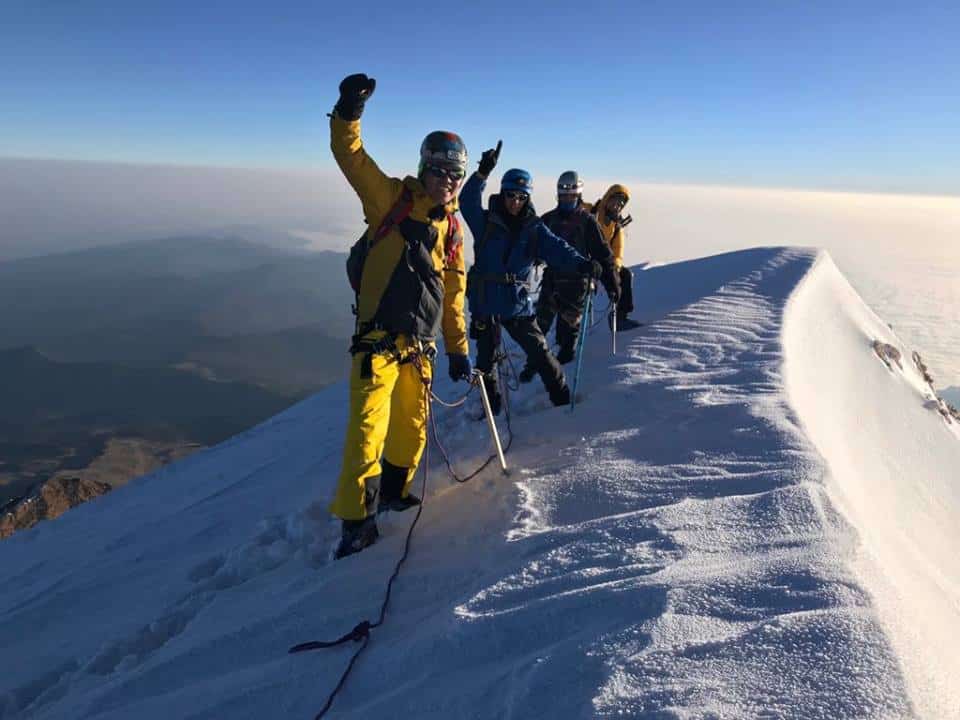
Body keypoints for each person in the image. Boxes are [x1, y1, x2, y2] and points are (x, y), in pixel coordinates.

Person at [327, 73, 472, 559]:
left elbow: (454, 294)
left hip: (419, 348)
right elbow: (352, 159)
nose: (448, 182)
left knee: (411, 429)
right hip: (376, 343)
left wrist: (458, 349)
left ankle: (394, 493)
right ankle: (356, 520)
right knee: (366, 433)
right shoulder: (390, 199)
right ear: (424, 168)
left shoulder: (453, 231)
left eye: (457, 176)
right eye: (441, 172)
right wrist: (349, 113)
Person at [460, 143, 597, 414]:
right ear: (502, 193)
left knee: (541, 354)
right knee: (485, 362)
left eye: (521, 197)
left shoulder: (534, 230)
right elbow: (466, 202)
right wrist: (481, 174)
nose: (515, 202)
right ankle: (492, 404)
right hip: (486, 305)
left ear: (528, 198)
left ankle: (561, 398)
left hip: (516, 306)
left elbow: (559, 249)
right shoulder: (485, 222)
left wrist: (583, 265)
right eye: (511, 195)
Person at [521, 171, 620, 380]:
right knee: (539, 327)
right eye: (563, 196)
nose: (567, 199)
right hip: (553, 281)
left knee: (566, 336)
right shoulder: (549, 220)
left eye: (571, 196)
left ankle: (559, 373)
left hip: (576, 286)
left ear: (578, 196)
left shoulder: (587, 222)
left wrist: (612, 284)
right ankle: (533, 366)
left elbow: (603, 255)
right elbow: (531, 245)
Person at [592, 184, 641, 330]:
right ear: (608, 198)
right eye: (616, 200)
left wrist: (614, 268)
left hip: (605, 264)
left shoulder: (617, 226)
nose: (618, 205)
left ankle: (620, 317)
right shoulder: (591, 211)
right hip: (586, 260)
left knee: (625, 275)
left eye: (621, 203)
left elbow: (618, 253)